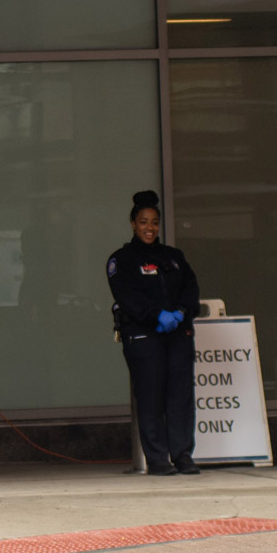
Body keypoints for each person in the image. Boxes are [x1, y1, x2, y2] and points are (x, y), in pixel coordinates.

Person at [106, 190, 201, 477]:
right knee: (150, 397)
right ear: (133, 224)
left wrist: (181, 314)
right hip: (144, 337)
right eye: (144, 222)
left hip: (177, 335)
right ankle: (158, 459)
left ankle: (182, 455)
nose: (150, 228)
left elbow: (191, 289)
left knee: (180, 397)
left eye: (155, 222)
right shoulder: (121, 260)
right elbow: (127, 295)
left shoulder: (173, 257)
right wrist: (156, 315)